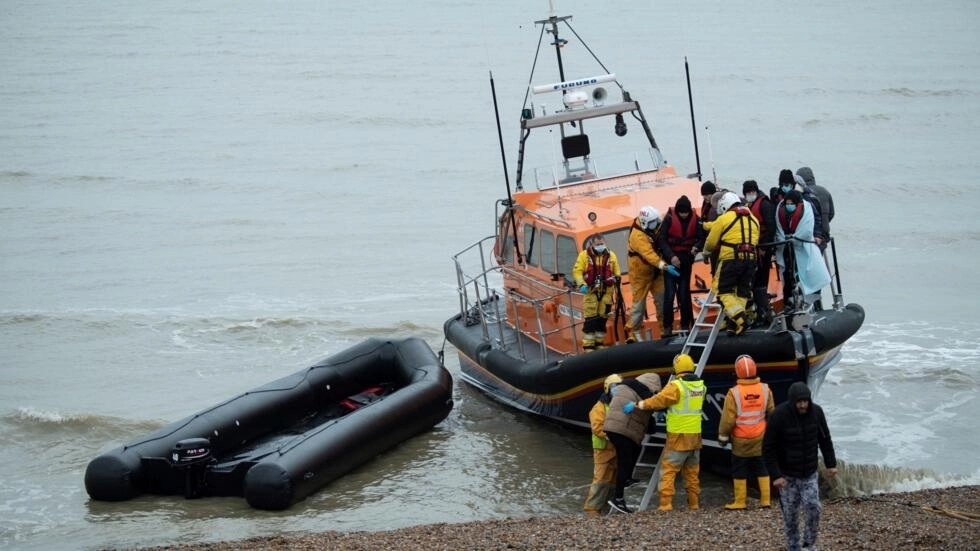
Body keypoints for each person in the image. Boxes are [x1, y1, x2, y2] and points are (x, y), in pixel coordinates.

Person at [623, 353, 704, 511]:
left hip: (678, 436)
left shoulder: (676, 386)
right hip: (695, 437)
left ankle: (666, 505)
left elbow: (658, 401)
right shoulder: (701, 386)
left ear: (677, 368)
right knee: (692, 473)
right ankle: (694, 504)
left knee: (668, 471)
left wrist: (637, 405)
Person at [763, 382, 837, 551]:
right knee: (791, 515)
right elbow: (768, 447)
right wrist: (776, 475)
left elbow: (825, 439)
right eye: (799, 402)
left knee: (813, 508)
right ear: (792, 401)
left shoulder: (817, 412)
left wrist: (831, 463)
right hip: (787, 477)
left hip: (809, 473)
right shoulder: (779, 416)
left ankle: (809, 544)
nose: (803, 405)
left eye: (806, 401)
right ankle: (793, 546)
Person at [718, 354, 775, 510]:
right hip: (760, 437)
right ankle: (765, 500)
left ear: (737, 371)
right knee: (761, 466)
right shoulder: (765, 389)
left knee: (739, 469)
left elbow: (728, 419)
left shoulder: (733, 393)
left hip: (740, 439)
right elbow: (772, 413)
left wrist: (722, 436)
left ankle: (740, 501)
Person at [603, 372, 662, 513]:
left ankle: (627, 479)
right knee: (624, 462)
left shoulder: (626, 386)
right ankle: (618, 499)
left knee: (635, 449)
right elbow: (656, 405)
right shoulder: (643, 392)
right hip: (623, 430)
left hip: (612, 428)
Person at [702, 192, 760, 336]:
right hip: (751, 260)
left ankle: (740, 319)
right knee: (742, 291)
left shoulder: (724, 218)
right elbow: (756, 240)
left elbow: (711, 241)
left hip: (731, 259)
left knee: (722, 291)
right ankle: (734, 324)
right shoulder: (754, 219)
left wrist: (706, 253)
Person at [626, 206, 679, 341]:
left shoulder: (652, 228)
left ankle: (664, 329)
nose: (656, 225)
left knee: (662, 300)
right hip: (640, 274)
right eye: (653, 223)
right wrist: (665, 266)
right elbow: (649, 254)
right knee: (639, 305)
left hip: (655, 272)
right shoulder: (637, 236)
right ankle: (634, 332)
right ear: (645, 222)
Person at [656, 195, 704, 337]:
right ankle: (667, 327)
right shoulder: (669, 218)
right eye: (681, 212)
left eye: (686, 212)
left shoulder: (697, 220)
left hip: (686, 262)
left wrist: (696, 247)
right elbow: (661, 240)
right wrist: (671, 256)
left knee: (684, 294)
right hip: (671, 263)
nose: (683, 215)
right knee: (669, 295)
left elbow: (702, 238)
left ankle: (686, 324)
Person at [774, 190, 831, 310]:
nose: (789, 205)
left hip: (804, 246)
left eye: (791, 203)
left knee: (808, 273)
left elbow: (811, 227)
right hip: (786, 247)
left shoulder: (807, 209)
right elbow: (779, 230)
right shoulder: (781, 210)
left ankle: (812, 304)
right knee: (788, 276)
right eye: (787, 203)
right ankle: (790, 303)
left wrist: (818, 236)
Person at [572, 233, 622, 351]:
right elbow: (577, 272)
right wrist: (582, 284)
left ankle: (599, 344)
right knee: (590, 321)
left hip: (606, 294)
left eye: (602, 244)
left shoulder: (611, 255)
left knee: (602, 321)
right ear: (592, 244)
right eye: (598, 244)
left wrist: (616, 278)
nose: (600, 246)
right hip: (591, 293)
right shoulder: (584, 256)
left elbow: (617, 272)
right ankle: (588, 346)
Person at [583, 374, 622, 515]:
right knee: (600, 479)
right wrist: (613, 437)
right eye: (614, 387)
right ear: (608, 389)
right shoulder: (599, 408)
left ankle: (608, 507)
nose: (617, 390)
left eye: (619, 387)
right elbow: (597, 428)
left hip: (616, 449)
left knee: (614, 479)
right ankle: (592, 509)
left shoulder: (619, 405)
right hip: (603, 449)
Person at [743, 179, 776, 326]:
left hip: (763, 249)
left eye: (751, 192)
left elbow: (770, 227)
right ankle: (762, 313)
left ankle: (764, 314)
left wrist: (763, 248)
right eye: (747, 192)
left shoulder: (764, 205)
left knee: (760, 281)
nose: (750, 194)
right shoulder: (749, 205)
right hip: (754, 249)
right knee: (755, 282)